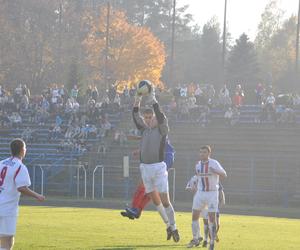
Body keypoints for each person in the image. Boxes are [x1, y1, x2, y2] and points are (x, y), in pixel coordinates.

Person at [131, 82, 179, 242]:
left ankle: (174, 226)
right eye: (148, 118)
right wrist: (137, 99)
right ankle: (168, 226)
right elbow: (135, 116)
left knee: (165, 200)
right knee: (154, 199)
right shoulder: (145, 130)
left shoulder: (162, 129)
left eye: (152, 118)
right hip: (145, 168)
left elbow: (160, 114)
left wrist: (151, 97)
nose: (149, 120)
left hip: (158, 167)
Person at [0, 139, 45, 250]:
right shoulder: (20, 166)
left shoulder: (1, 163)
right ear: (22, 150)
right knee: (7, 240)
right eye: (25, 148)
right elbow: (21, 188)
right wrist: (37, 196)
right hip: (7, 208)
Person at [120, 137, 175, 219]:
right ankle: (137, 210)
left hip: (158, 172)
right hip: (157, 171)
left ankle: (135, 209)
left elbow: (167, 161)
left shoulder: (166, 148)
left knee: (144, 188)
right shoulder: (164, 146)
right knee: (149, 193)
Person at [186, 145, 227, 249]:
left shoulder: (214, 163)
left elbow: (224, 174)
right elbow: (198, 177)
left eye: (204, 152)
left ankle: (212, 242)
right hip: (200, 193)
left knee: (211, 219)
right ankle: (196, 238)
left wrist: (215, 171)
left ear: (209, 153)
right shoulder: (198, 165)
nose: (202, 154)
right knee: (194, 216)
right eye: (201, 152)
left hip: (212, 193)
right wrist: (194, 187)